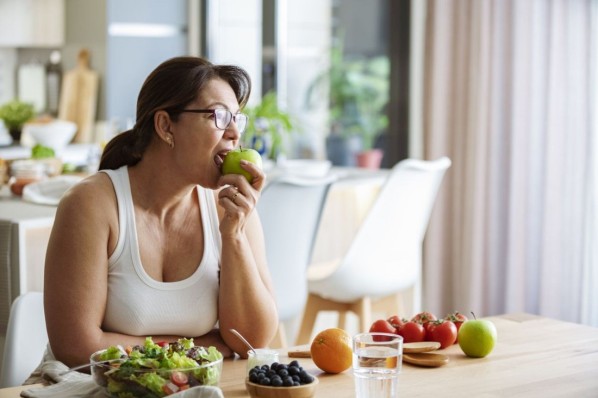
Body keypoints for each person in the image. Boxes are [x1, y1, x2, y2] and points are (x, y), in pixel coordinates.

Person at [42, 56, 279, 369]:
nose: (235, 133)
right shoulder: (91, 204)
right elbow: (76, 348)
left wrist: (233, 235)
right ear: (166, 125)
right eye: (220, 116)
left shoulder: (231, 210)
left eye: (237, 118)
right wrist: (203, 347)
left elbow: (251, 341)